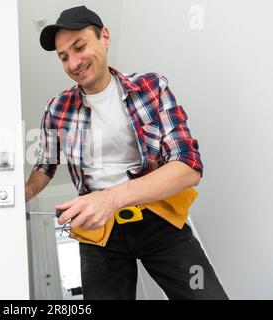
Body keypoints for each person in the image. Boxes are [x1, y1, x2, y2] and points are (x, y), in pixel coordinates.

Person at [25, 5, 228, 300]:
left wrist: (111, 198)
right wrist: (27, 189)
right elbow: (46, 165)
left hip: (159, 219)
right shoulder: (56, 108)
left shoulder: (152, 87)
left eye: (79, 47)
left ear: (104, 36)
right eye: (64, 57)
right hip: (97, 233)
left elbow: (188, 166)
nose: (73, 63)